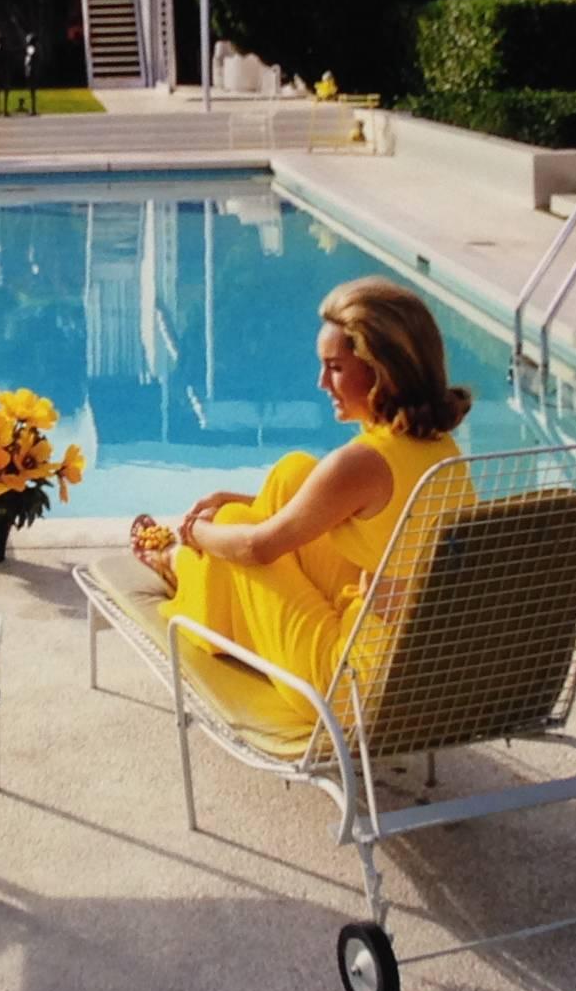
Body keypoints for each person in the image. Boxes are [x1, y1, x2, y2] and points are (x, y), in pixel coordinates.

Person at [131, 277, 471, 753]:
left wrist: (196, 532)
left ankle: (178, 562)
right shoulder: (439, 447)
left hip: (349, 683)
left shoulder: (362, 463)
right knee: (294, 474)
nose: (321, 383)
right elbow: (327, 508)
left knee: (232, 528)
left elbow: (257, 547)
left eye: (335, 368)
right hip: (417, 658)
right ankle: (197, 572)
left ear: (382, 372)